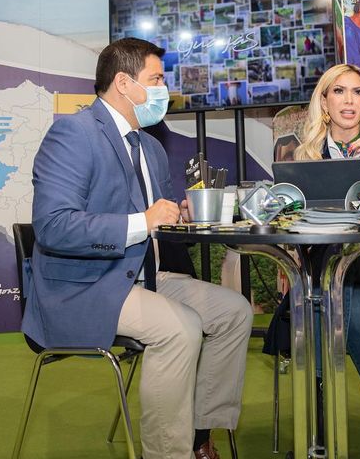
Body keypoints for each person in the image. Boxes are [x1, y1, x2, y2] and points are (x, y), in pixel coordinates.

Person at [23, 38, 253, 459]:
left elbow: (158, 220)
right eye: (157, 79)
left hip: (143, 276)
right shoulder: (73, 133)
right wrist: (143, 221)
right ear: (124, 83)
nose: (165, 89)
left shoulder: (150, 147)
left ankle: (199, 434)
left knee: (234, 312)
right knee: (180, 328)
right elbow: (53, 226)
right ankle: (166, 454)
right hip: (84, 286)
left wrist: (182, 216)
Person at [270, 63, 360, 439]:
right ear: (324, 101)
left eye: (357, 92)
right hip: (336, 278)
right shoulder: (306, 156)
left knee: (339, 278)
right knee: (354, 303)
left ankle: (317, 412)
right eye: (339, 91)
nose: (349, 100)